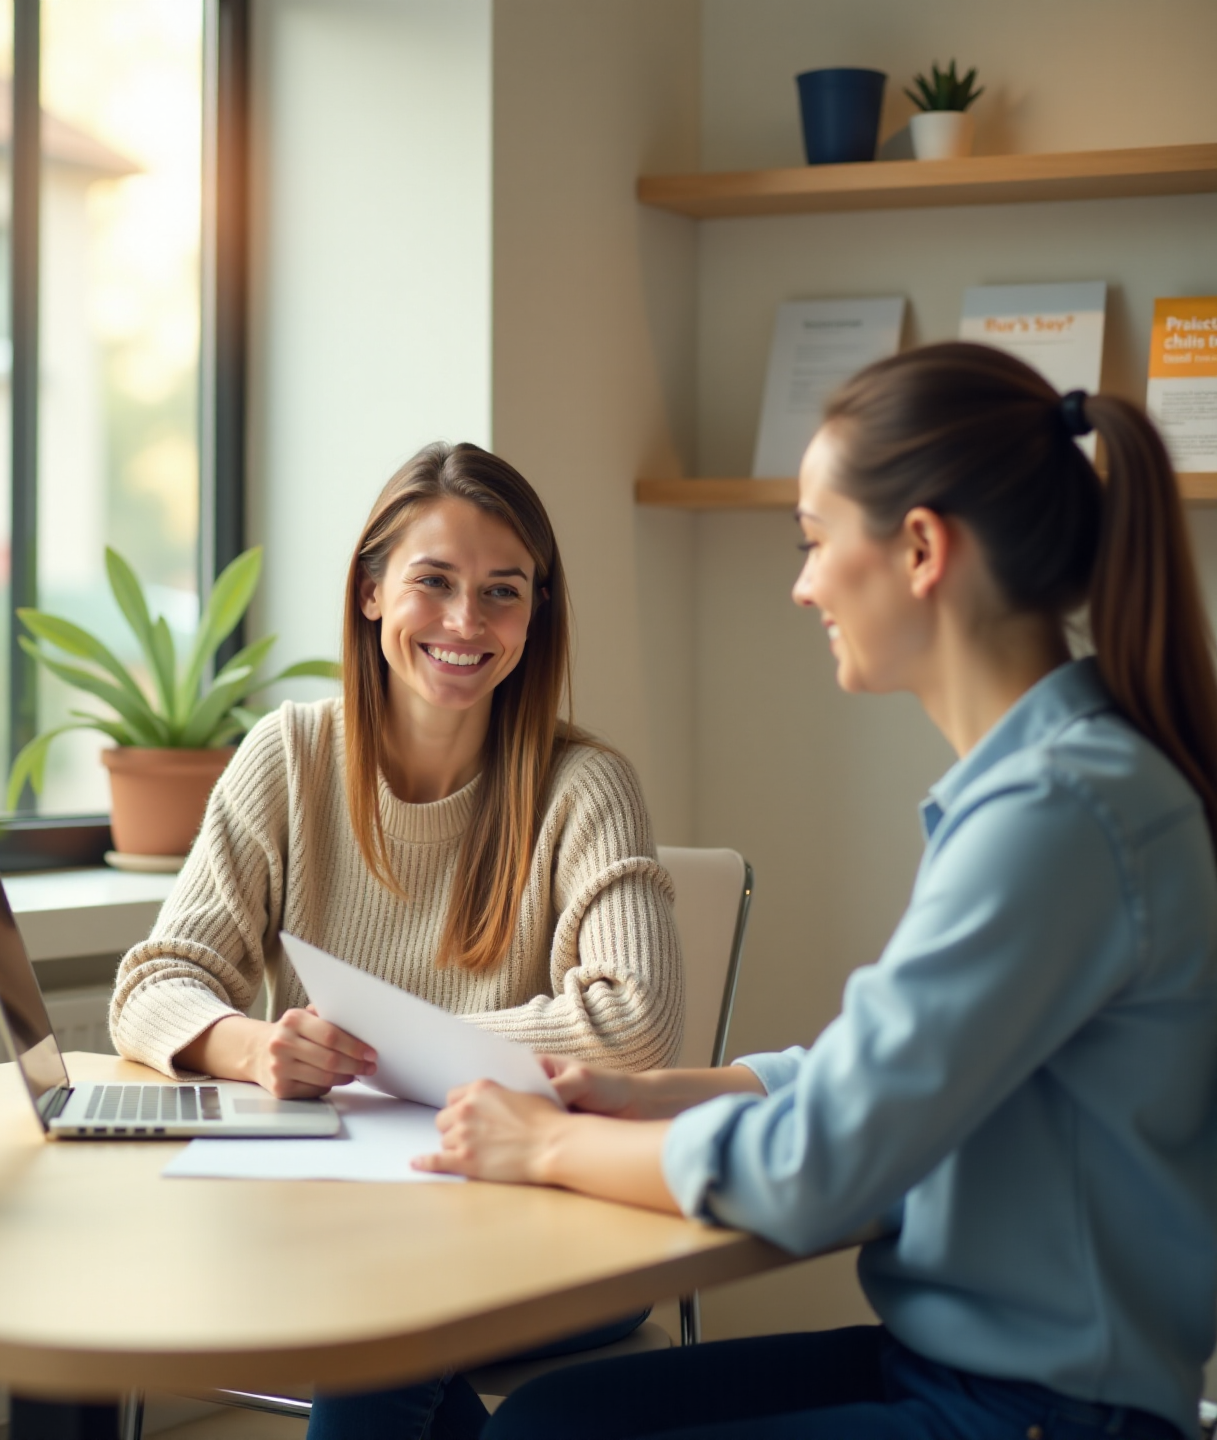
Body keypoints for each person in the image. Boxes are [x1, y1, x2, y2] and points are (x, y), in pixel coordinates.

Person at [418, 344, 1217, 1440]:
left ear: (921, 549)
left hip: (1044, 1409)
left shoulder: (1058, 811)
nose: (802, 584)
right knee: (552, 1418)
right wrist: (655, 1094)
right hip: (955, 1366)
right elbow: (882, 1078)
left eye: (813, 539)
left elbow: (819, 1165)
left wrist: (545, 1146)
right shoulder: (1049, 786)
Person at [109, 440, 683, 1437]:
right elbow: (155, 981)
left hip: (558, 1223)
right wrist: (259, 1047)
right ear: (372, 592)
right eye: (435, 582)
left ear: (536, 614)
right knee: (377, 1318)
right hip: (339, 1215)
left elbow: (633, 1026)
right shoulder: (289, 757)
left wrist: (379, 1049)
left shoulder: (585, 785)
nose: (466, 622)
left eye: (503, 592)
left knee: (380, 1326)